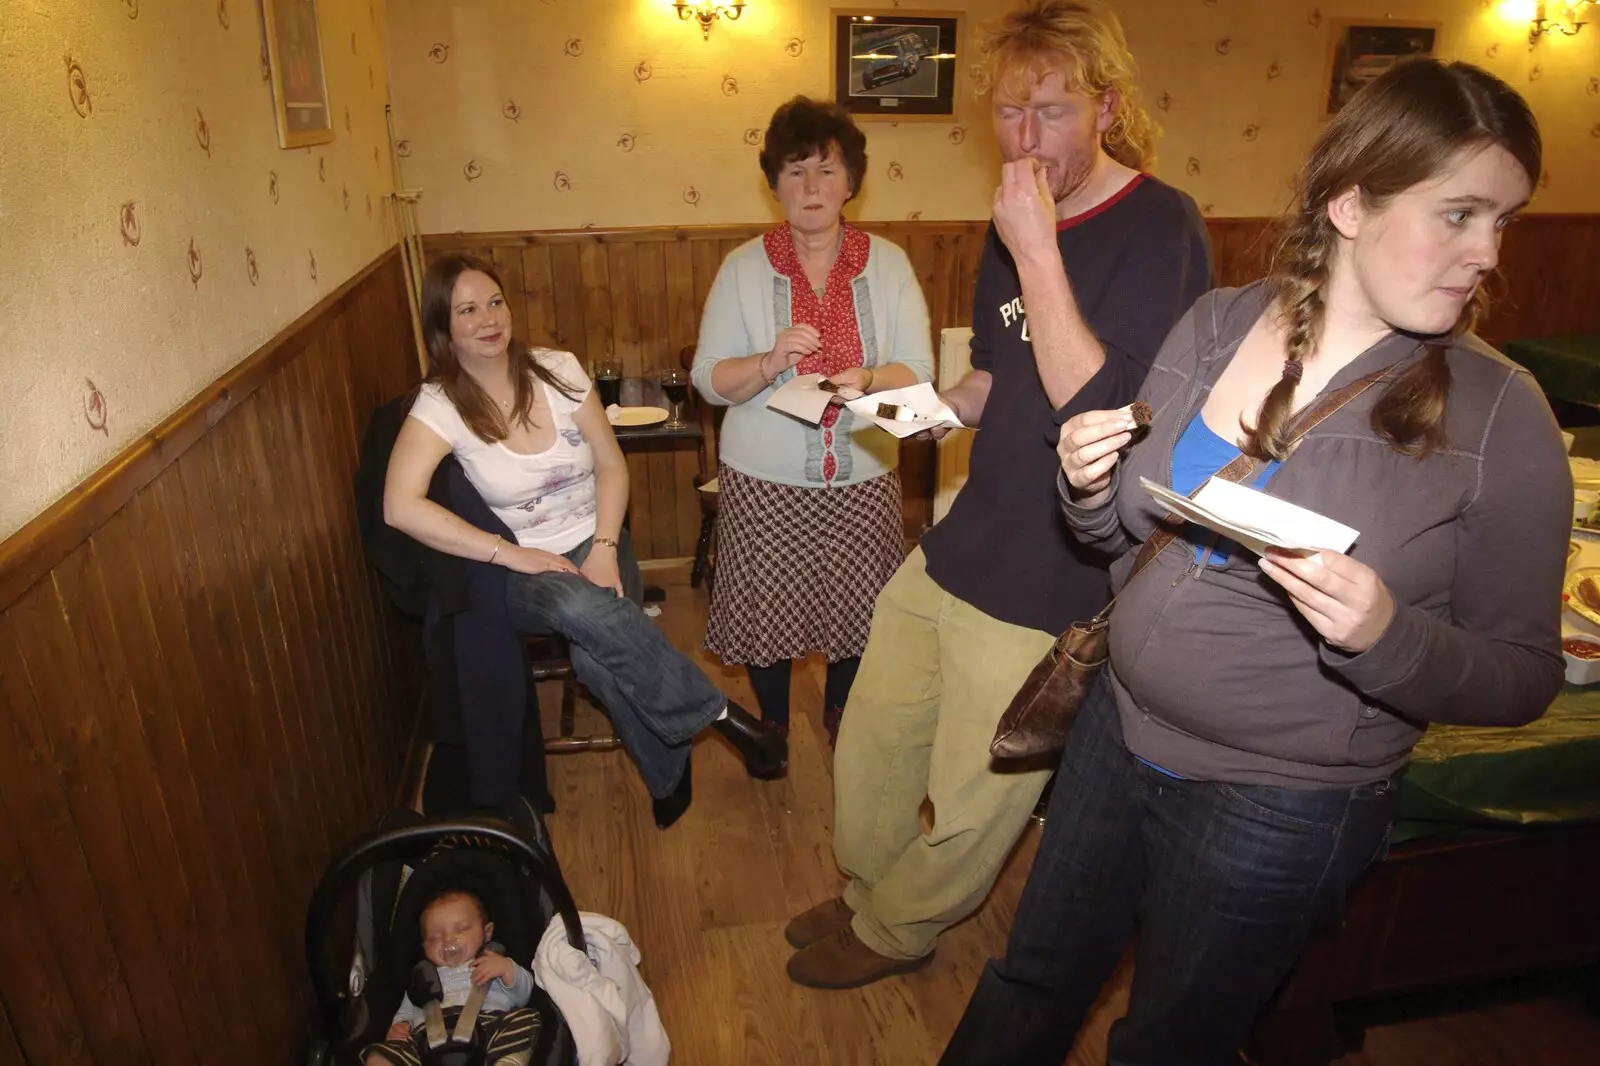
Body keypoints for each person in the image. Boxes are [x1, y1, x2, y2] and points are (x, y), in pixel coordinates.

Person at [941, 58, 1571, 1065]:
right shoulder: (1218, 322)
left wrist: (1384, 634)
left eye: (1504, 220)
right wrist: (1086, 485)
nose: (1487, 252)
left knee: (1169, 1042)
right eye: (1458, 215)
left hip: (1280, 804)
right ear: (1351, 201)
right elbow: (1117, 546)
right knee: (1028, 981)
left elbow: (1523, 672)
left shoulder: (1502, 414)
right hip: (1114, 729)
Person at [783, 0, 1212, 989]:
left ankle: (902, 929)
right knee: (876, 740)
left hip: (1058, 564)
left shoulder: (1161, 225)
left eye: (1051, 112)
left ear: (1105, 107)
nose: (1025, 140)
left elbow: (1100, 406)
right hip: (963, 538)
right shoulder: (1011, 218)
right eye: (1009, 115)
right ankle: (870, 890)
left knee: (978, 788)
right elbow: (996, 379)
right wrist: (911, 402)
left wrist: (1038, 250)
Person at [384, 254, 788, 830]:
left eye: (495, 302)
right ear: (442, 327)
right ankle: (723, 716)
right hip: (520, 566)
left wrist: (603, 545)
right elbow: (399, 506)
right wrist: (509, 553)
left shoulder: (558, 369)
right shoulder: (440, 404)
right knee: (577, 606)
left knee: (596, 664)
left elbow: (611, 466)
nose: (488, 319)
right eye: (466, 310)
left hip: (595, 535)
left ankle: (669, 771)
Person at [691, 96, 934, 745]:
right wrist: (770, 362)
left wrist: (872, 379)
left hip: (864, 477)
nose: (811, 187)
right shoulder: (743, 268)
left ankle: (841, 713)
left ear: (852, 181)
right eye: (795, 171)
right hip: (763, 481)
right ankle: (773, 724)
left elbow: (918, 370)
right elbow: (708, 380)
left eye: (826, 171)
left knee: (862, 607)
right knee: (767, 611)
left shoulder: (888, 264)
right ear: (774, 184)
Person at [363, 887, 540, 1066]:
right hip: (428, 1042)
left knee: (526, 1020)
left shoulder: (492, 964)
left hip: (487, 1031)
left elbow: (524, 994)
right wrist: (400, 1026)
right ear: (424, 947)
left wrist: (507, 969)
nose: (448, 940)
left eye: (461, 929)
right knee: (378, 1055)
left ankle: (507, 1062)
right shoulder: (422, 979)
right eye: (435, 937)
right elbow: (407, 1010)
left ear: (486, 932)